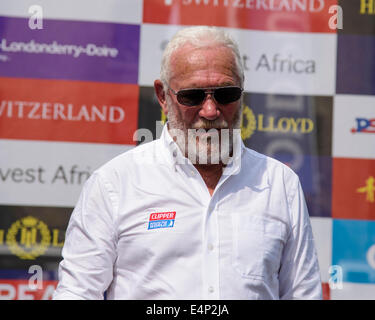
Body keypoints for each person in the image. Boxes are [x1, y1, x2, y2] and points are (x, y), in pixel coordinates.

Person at [53, 26, 322, 300]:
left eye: (225, 93)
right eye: (192, 96)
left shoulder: (279, 184)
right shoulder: (114, 184)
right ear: (163, 96)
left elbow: (303, 294)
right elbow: (77, 293)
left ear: (242, 91)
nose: (210, 110)